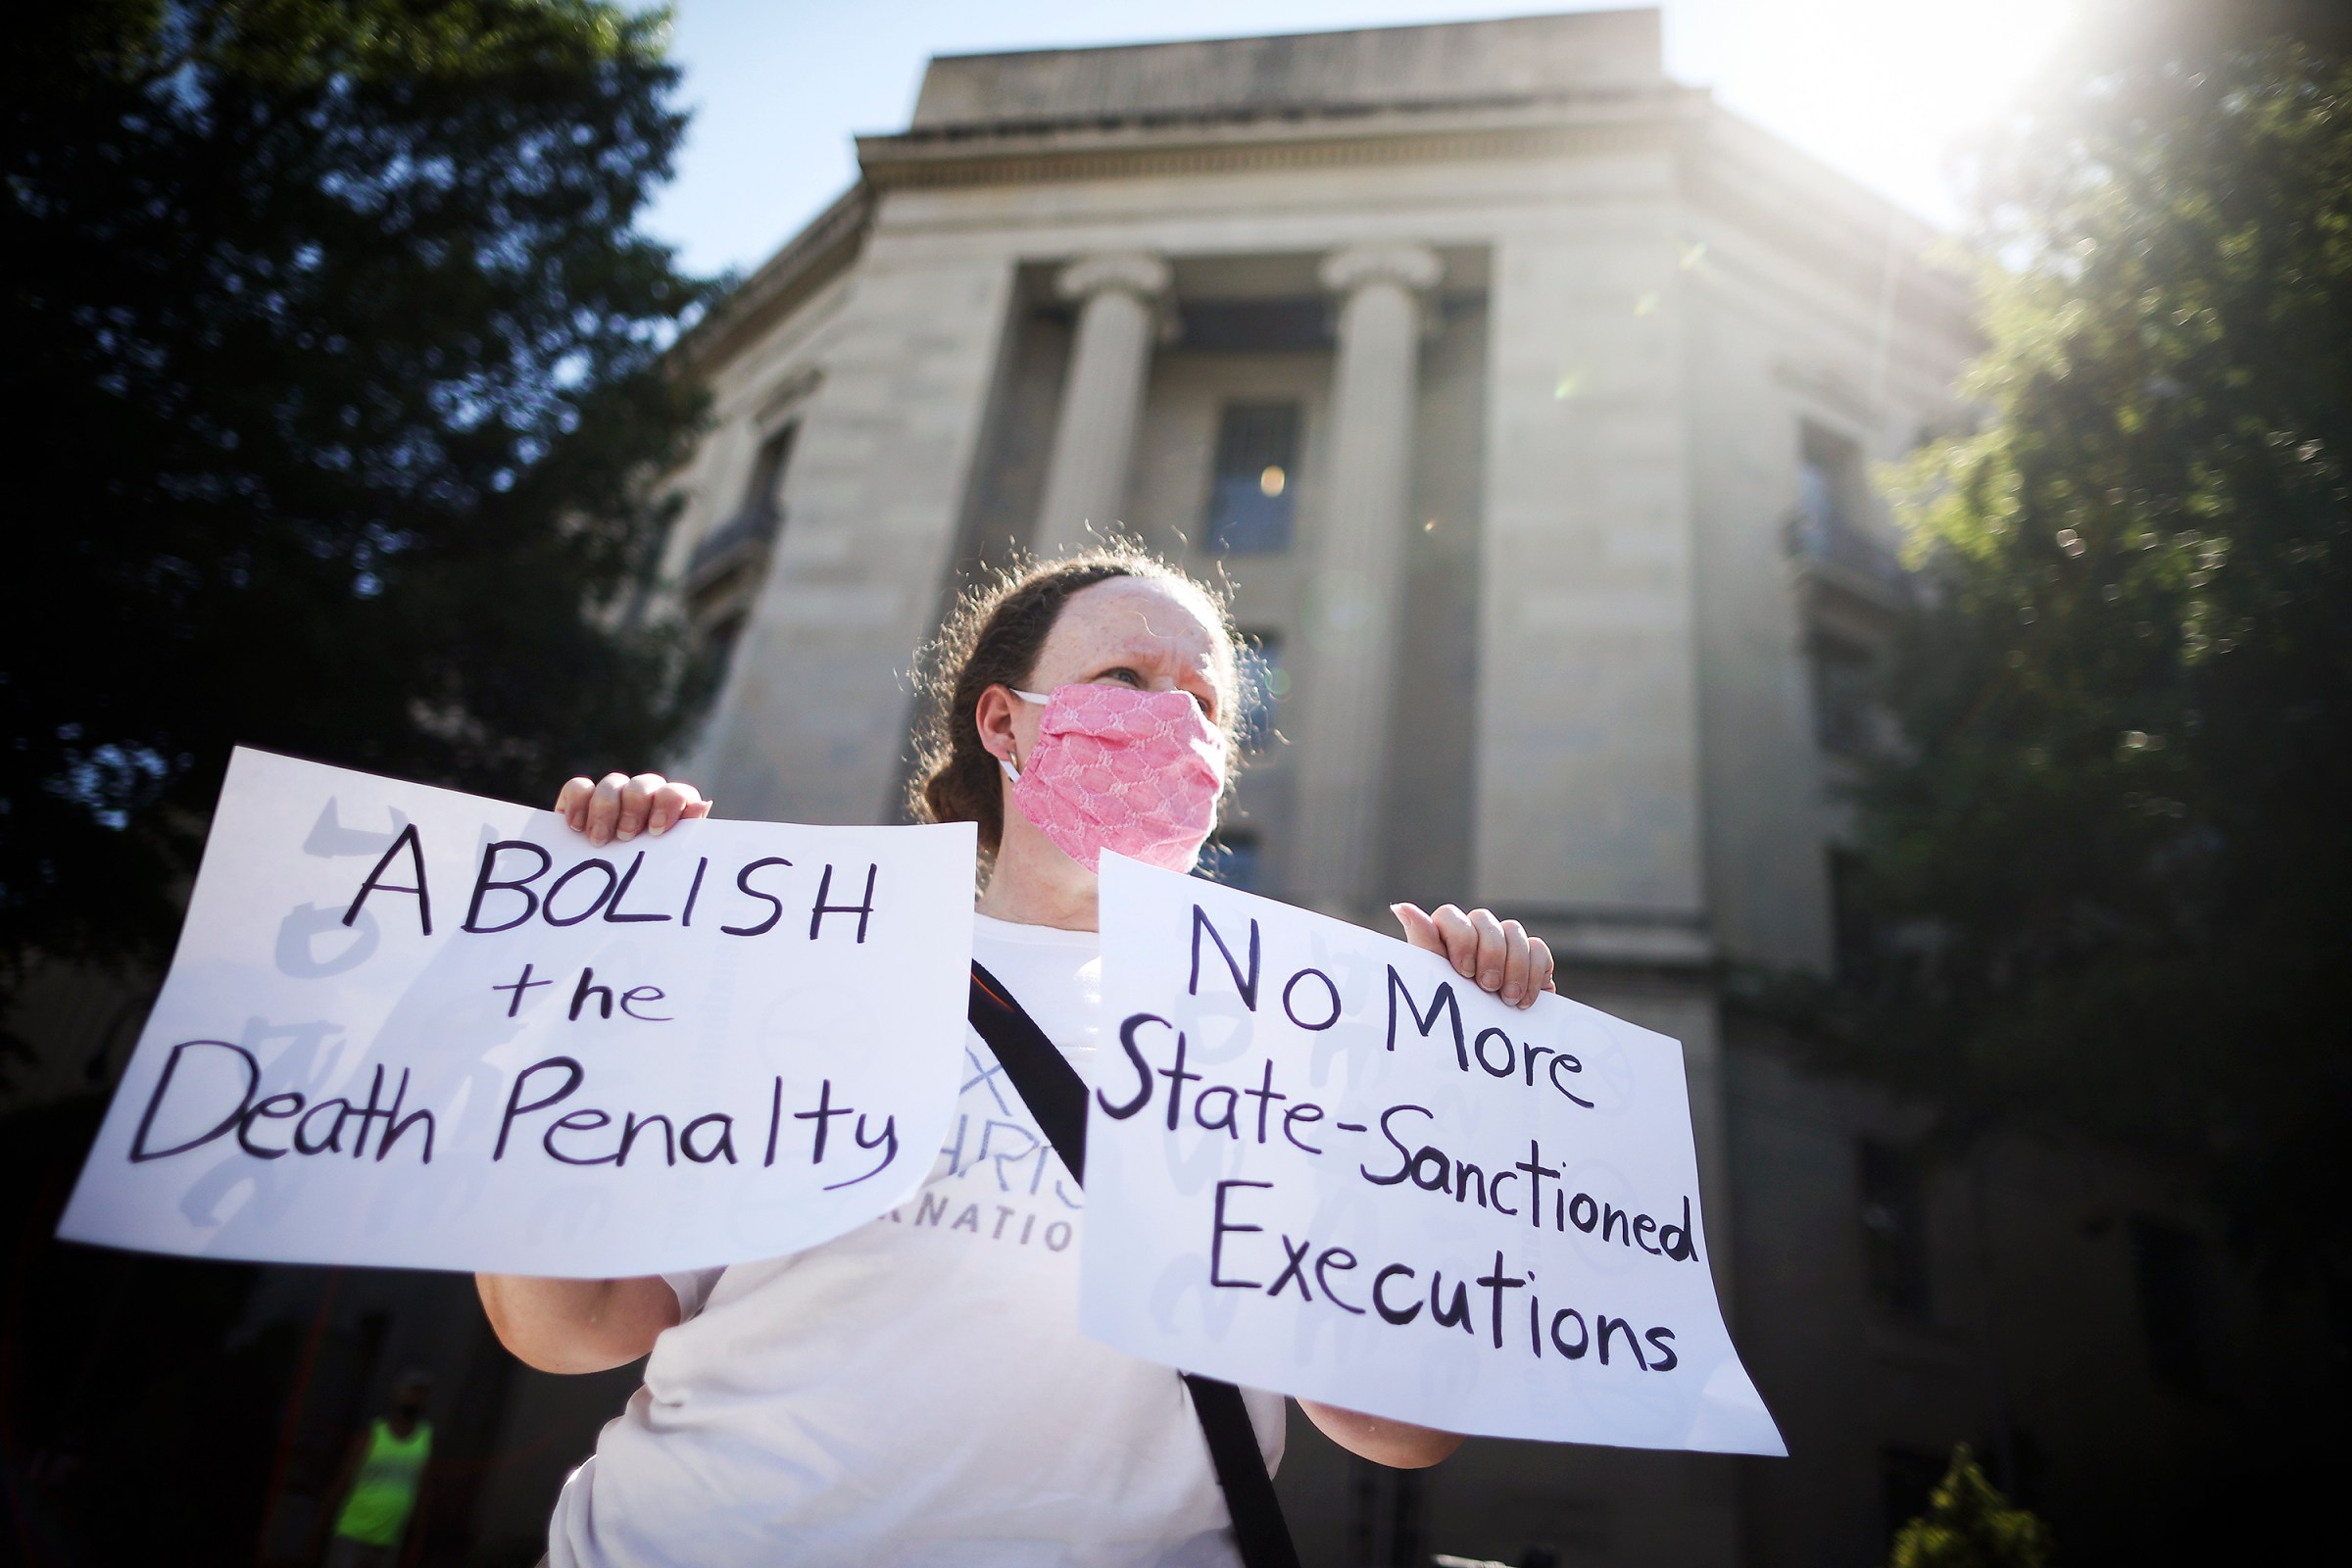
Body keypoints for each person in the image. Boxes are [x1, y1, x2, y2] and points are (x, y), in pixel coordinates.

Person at [476, 548, 1558, 1567]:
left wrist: (1455, 1088)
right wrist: (571, 982)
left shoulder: (1302, 1039)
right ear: (1004, 720)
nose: (1169, 717)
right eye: (1125, 674)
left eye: (1209, 701)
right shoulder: (803, 954)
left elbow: (1394, 1428)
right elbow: (573, 1325)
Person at [315, 1370, 433, 1568]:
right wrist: (320, 1529)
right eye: (413, 1392)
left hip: (388, 1542)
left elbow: (424, 1492)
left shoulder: (424, 1440)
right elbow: (343, 1481)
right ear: (398, 1395)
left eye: (422, 1395)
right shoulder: (372, 1435)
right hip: (351, 1534)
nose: (417, 1399)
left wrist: (416, 1542)